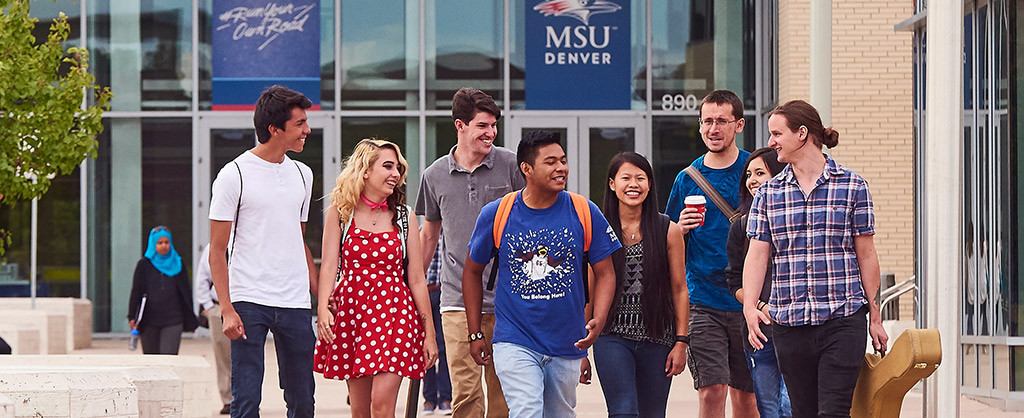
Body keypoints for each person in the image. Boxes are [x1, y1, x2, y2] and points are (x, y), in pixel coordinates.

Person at [743, 100, 889, 417]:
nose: (771, 142)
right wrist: (750, 308)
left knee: (834, 411)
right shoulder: (769, 194)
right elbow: (757, 255)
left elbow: (866, 255)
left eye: (777, 133)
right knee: (803, 411)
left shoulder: (852, 186)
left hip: (843, 320)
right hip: (790, 325)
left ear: (803, 134)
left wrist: (875, 317)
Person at [463, 130, 620, 418]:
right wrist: (474, 332)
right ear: (527, 169)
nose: (561, 168)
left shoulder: (584, 211)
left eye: (563, 160)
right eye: (551, 162)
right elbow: (472, 271)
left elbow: (606, 272)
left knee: (559, 414)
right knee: (527, 411)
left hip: (567, 341)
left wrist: (599, 317)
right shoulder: (498, 213)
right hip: (514, 339)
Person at [208, 85, 319, 418]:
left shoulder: (303, 173)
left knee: (303, 401)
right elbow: (216, 249)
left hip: (295, 300)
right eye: (299, 124)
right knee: (246, 400)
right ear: (275, 129)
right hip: (248, 300)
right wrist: (226, 308)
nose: (307, 130)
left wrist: (319, 292)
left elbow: (297, 240)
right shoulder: (234, 174)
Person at [416, 87, 524, 418]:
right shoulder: (434, 175)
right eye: (482, 126)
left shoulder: (510, 165)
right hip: (456, 300)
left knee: (503, 393)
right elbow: (430, 233)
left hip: (509, 298)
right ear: (460, 126)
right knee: (465, 393)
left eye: (493, 125)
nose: (490, 133)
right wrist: (413, 286)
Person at [314, 138, 439, 418]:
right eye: (388, 166)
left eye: (398, 167)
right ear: (365, 171)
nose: (396, 173)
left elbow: (417, 279)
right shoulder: (340, 213)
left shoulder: (405, 217)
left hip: (396, 313)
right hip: (353, 314)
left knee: (382, 407)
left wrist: (429, 334)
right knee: (360, 411)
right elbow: (330, 266)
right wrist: (323, 308)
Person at [665, 90, 758, 418]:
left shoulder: (755, 173)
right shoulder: (686, 179)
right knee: (712, 391)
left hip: (751, 301)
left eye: (722, 121)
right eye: (707, 121)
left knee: (747, 398)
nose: (713, 128)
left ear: (739, 125)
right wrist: (681, 228)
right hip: (703, 302)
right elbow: (669, 244)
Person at [588, 152, 690, 418]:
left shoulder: (669, 229)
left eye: (640, 178)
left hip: (659, 336)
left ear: (649, 184)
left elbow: (680, 288)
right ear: (612, 184)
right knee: (623, 411)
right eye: (626, 178)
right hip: (611, 335)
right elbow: (590, 288)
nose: (633, 184)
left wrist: (681, 341)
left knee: (653, 414)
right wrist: (580, 347)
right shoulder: (598, 230)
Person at [724, 148, 790, 418]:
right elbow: (732, 282)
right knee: (770, 410)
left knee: (790, 407)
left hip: (796, 329)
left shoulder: (796, 219)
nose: (752, 180)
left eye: (760, 172)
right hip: (759, 333)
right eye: (748, 174)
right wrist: (757, 305)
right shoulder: (740, 226)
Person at [127, 226, 199, 355]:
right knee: (151, 361)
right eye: (160, 243)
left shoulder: (178, 264)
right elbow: (136, 291)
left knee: (168, 358)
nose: (164, 246)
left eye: (166, 242)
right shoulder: (144, 265)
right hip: (149, 321)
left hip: (173, 321)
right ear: (153, 244)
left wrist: (190, 320)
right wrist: (132, 316)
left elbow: (186, 293)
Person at [194, 243, 233, 414]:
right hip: (218, 308)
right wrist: (209, 308)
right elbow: (202, 279)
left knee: (248, 354)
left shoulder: (250, 239)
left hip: (246, 306)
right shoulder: (214, 247)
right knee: (222, 354)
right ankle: (228, 399)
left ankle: (247, 395)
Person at [423, 238, 453, 415]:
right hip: (426, 291)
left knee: (444, 348)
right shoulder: (422, 233)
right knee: (426, 347)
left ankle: (445, 398)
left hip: (445, 293)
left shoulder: (450, 233)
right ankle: (429, 398)